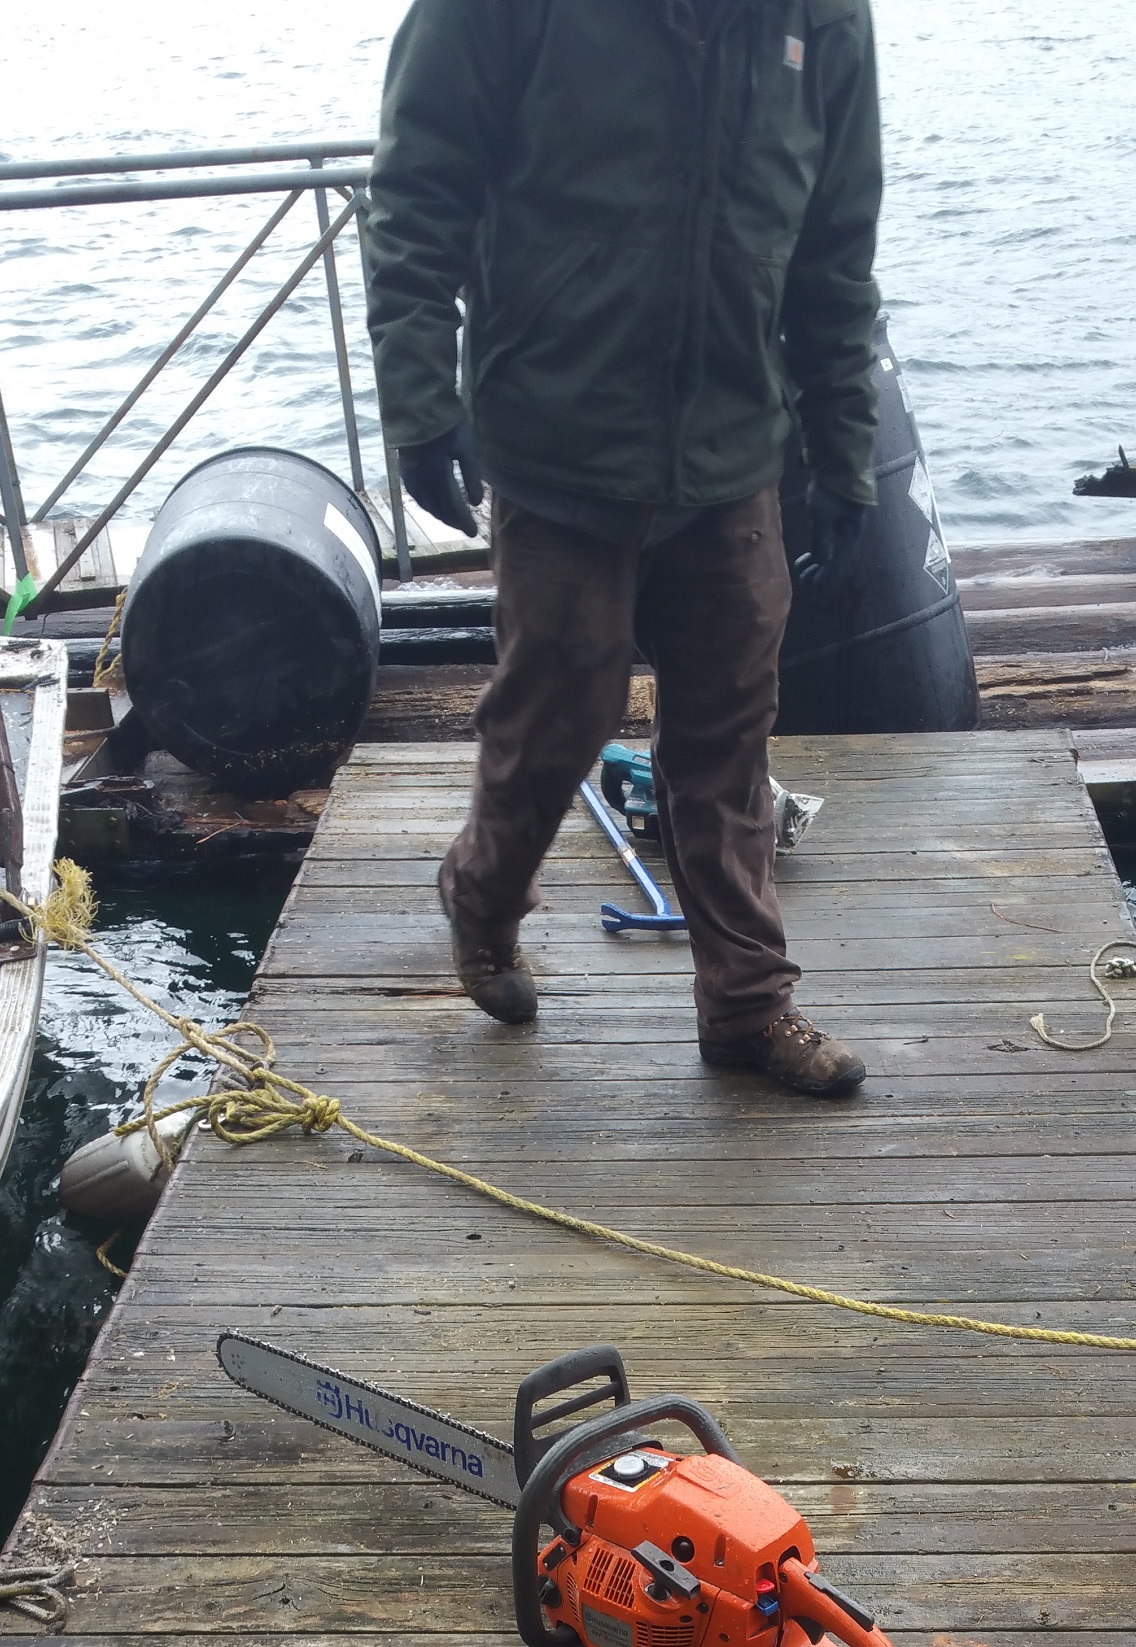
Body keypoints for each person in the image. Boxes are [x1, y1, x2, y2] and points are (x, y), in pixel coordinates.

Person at [364, 0, 883, 1098]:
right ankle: (485, 901)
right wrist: (419, 403)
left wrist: (844, 452)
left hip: (734, 443)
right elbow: (416, 197)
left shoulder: (820, 19)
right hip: (561, 437)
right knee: (561, 709)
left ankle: (747, 1008)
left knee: (730, 737)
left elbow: (836, 249)